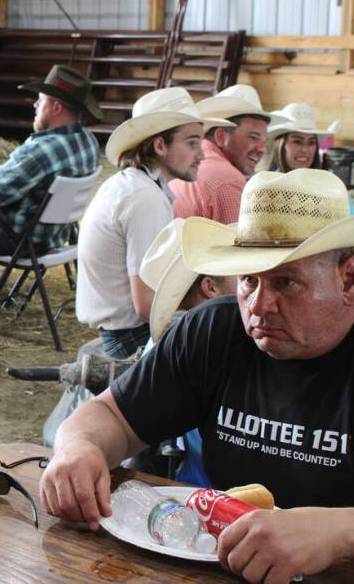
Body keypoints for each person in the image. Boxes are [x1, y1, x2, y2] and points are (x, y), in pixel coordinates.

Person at [41, 169, 354, 582]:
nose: (259, 305)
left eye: (286, 281)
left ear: (349, 278)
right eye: (249, 280)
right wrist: (79, 450)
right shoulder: (212, 331)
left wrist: (337, 532)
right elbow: (113, 416)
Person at [76, 87, 232, 359]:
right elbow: (147, 305)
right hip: (130, 338)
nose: (202, 154)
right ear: (160, 145)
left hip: (125, 330)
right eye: (192, 143)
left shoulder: (138, 185)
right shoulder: (143, 198)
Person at [0, 65, 100, 265]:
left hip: (18, 239)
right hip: (54, 236)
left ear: (56, 107)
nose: (35, 104)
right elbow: (40, 178)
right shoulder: (88, 142)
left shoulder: (40, 150)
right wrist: (4, 171)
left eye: (41, 99)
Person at [136, 218, 237, 486]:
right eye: (240, 271)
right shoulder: (216, 343)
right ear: (210, 287)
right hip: (219, 496)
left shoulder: (176, 339)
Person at [169, 85, 279, 224]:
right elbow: (237, 243)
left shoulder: (188, 161)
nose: (262, 149)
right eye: (253, 137)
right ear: (221, 137)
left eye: (264, 141)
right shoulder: (228, 179)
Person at [263, 102, 338, 172]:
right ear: (280, 145)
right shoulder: (270, 185)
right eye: (297, 142)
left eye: (311, 142)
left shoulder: (323, 183)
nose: (305, 149)